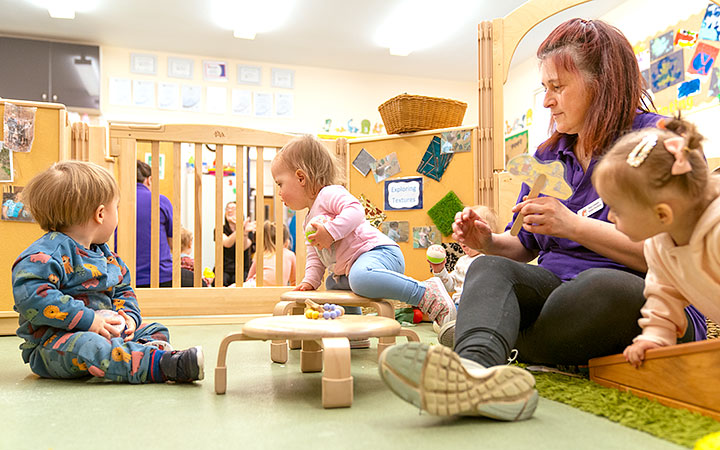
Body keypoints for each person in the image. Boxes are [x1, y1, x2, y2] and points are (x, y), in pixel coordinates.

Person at [378, 18, 706, 421]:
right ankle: (474, 373)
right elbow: (524, 246)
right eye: (544, 88)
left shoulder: (658, 144)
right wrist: (489, 242)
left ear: (601, 83)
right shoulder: (547, 156)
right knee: (488, 268)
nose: (547, 101)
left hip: (646, 299)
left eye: (557, 87)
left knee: (603, 286)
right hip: (558, 303)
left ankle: (487, 339)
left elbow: (679, 256)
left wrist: (573, 225)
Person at [11, 161, 203, 384]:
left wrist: (128, 317)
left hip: (106, 330)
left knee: (155, 329)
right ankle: (161, 365)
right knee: (91, 346)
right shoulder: (45, 254)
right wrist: (89, 319)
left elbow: (123, 289)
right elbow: (33, 297)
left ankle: (132, 355)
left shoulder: (106, 255)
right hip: (54, 343)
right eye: (117, 207)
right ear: (101, 214)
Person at [270, 134, 456, 328]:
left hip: (380, 253)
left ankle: (425, 293)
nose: (279, 192)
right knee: (334, 286)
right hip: (353, 268)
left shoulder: (329, 193)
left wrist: (331, 231)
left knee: (359, 278)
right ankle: (354, 330)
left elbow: (356, 211)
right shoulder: (308, 221)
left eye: (280, 184)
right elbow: (316, 257)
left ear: (301, 177)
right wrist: (309, 281)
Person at [592, 118, 720, 368]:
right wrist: (656, 337)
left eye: (616, 209)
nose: (609, 217)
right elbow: (663, 294)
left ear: (662, 214)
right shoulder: (659, 246)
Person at [431, 205, 498, 347]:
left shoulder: (490, 258)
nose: (462, 241)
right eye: (462, 235)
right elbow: (450, 285)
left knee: (481, 318)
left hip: (478, 306)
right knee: (443, 317)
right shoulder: (461, 261)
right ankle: (456, 329)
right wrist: (440, 270)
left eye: (470, 235)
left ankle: (465, 330)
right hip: (458, 305)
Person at [136, 160, 174, 287]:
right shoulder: (160, 201)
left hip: (123, 276)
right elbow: (173, 242)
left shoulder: (117, 201)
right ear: (149, 180)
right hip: (160, 275)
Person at [244, 221, 296, 286]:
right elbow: (294, 281)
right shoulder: (290, 255)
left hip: (256, 286)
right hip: (277, 291)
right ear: (287, 243)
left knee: (234, 288)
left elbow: (249, 278)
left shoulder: (262, 254)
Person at [217, 201, 255, 286]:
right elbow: (227, 243)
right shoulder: (220, 229)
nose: (230, 211)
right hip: (223, 269)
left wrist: (244, 232)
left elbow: (243, 247)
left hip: (242, 270)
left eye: (233, 209)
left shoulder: (248, 230)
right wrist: (240, 229)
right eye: (228, 209)